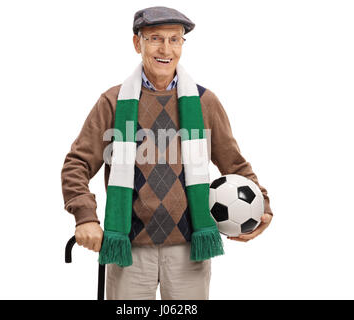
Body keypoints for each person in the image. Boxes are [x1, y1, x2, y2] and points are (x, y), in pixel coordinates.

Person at [61, 6, 273, 300]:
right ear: (138, 43)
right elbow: (77, 164)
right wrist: (85, 217)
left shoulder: (204, 103)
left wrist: (262, 205)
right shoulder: (112, 102)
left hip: (190, 250)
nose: (166, 49)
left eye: (175, 39)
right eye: (155, 38)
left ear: (182, 44)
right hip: (128, 250)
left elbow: (234, 164)